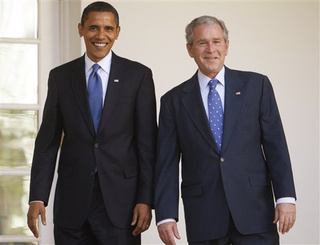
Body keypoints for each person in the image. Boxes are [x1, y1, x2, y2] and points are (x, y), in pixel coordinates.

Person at [154, 15, 296, 245]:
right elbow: (166, 163)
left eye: (217, 41)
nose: (211, 49)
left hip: (255, 212)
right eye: (202, 43)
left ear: (227, 46)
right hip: (204, 216)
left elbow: (276, 145)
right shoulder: (173, 101)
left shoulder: (257, 86)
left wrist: (286, 197)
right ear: (190, 49)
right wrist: (166, 215)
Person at [27, 1, 157, 244]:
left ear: (117, 32)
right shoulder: (61, 77)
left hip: (122, 205)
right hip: (72, 205)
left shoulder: (138, 76)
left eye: (108, 29)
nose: (101, 35)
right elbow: (47, 142)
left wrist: (146, 199)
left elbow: (147, 144)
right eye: (93, 27)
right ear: (80, 29)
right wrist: (37, 197)